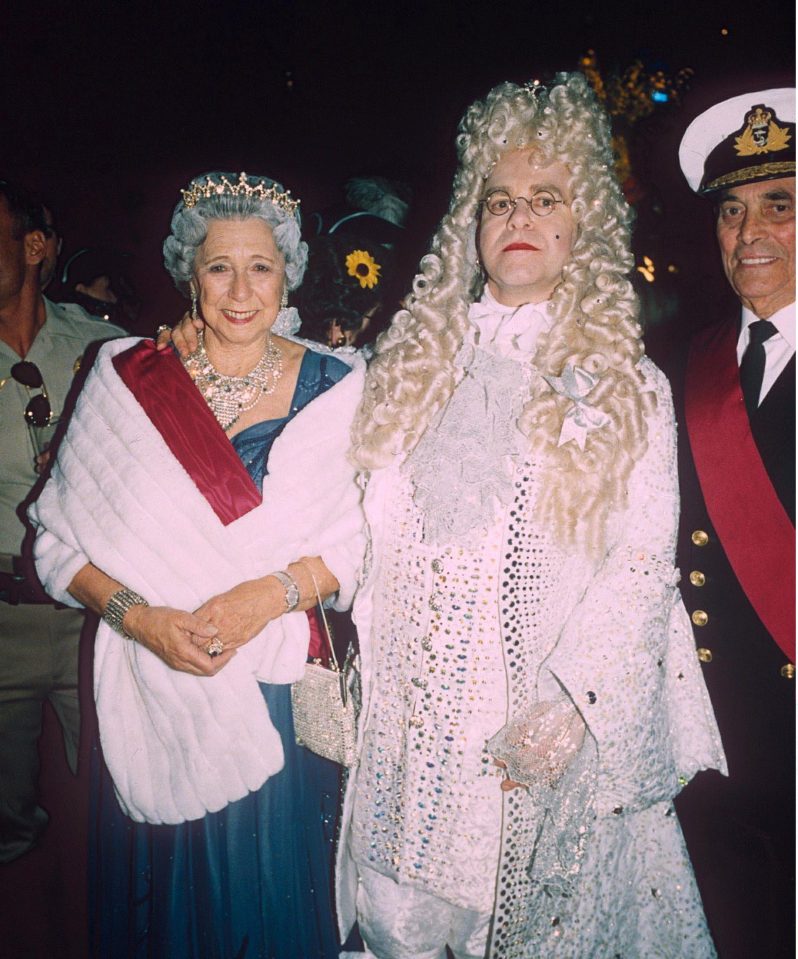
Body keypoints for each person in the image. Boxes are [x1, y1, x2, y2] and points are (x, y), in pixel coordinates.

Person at [338, 73, 725, 958]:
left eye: (546, 199)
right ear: (469, 227)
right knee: (396, 922)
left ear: (580, 223)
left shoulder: (630, 385)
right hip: (406, 731)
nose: (519, 217)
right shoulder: (404, 366)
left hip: (531, 738)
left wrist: (567, 708)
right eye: (499, 199)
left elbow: (639, 563)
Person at [28, 170, 366, 958]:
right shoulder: (128, 377)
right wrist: (138, 619)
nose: (240, 290)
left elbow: (365, 547)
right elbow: (54, 541)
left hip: (274, 699)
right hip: (153, 688)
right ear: (190, 273)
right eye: (219, 266)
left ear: (291, 274)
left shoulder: (344, 385)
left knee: (264, 907)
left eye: (261, 267)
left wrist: (268, 594)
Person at [671, 88, 795, 959]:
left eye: (781, 204)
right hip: (712, 741)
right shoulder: (685, 362)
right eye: (732, 208)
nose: (749, 231)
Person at [0, 179, 126, 865]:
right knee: (5, 824)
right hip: (2, 620)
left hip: (95, 618)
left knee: (120, 799)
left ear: (34, 245)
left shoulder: (106, 347)